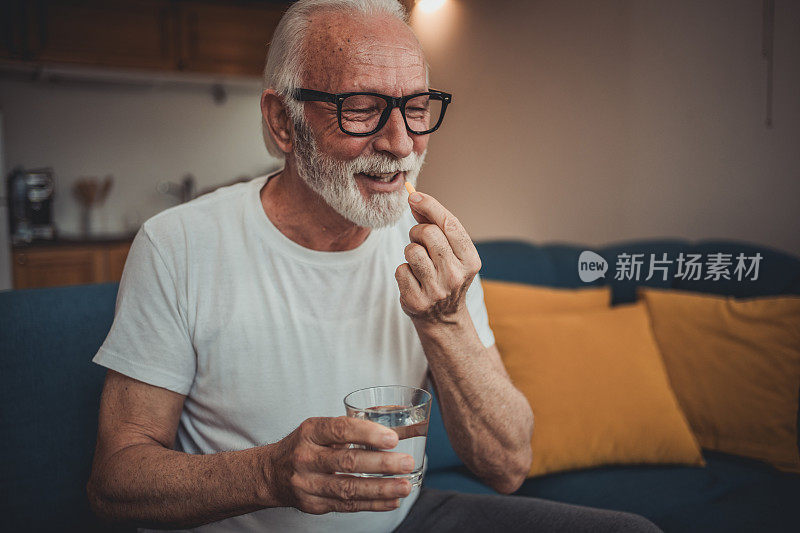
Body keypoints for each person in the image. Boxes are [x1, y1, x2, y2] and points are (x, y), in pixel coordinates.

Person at [87, 1, 662, 531]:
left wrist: (446, 320)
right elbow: (115, 480)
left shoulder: (433, 252)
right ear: (283, 122)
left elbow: (508, 464)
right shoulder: (177, 244)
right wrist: (267, 475)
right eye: (361, 109)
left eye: (416, 108)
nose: (402, 142)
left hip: (407, 520)